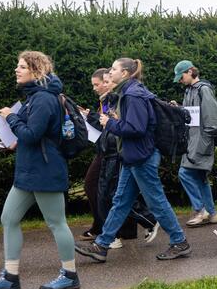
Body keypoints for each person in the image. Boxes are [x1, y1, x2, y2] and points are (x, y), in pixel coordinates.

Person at [75, 58, 191, 262]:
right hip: (133, 155)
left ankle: (179, 241)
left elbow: (136, 129)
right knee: (120, 202)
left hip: (141, 156)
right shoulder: (127, 93)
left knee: (156, 202)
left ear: (126, 74)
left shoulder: (133, 95)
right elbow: (135, 124)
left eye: (113, 69)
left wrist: (109, 123)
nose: (110, 72)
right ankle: (101, 245)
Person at [0, 51, 79, 289]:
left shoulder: (43, 98)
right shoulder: (34, 97)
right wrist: (15, 140)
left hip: (44, 171)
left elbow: (32, 133)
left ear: (36, 71)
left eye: (21, 66)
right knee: (8, 219)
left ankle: (70, 275)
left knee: (56, 223)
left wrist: (10, 117)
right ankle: (10, 278)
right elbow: (31, 135)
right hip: (30, 170)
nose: (16, 70)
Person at [91, 70, 159, 246]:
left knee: (153, 199)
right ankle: (106, 239)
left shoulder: (127, 96)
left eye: (106, 80)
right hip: (117, 152)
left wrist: (108, 121)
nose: (102, 85)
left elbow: (132, 128)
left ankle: (167, 231)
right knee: (117, 198)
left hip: (122, 152)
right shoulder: (114, 98)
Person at [173, 60, 217, 227]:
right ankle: (212, 213)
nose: (180, 80)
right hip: (193, 140)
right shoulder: (190, 90)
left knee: (184, 173)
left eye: (181, 76)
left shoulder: (204, 89)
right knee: (200, 177)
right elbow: (192, 116)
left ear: (190, 71)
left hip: (200, 140)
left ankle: (200, 210)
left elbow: (213, 119)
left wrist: (206, 140)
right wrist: (178, 108)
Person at [78, 68, 110, 241]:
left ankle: (149, 220)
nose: (95, 88)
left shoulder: (110, 100)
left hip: (108, 151)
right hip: (104, 149)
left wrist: (91, 117)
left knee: (92, 185)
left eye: (97, 84)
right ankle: (104, 227)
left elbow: (107, 125)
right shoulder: (103, 100)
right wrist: (90, 115)